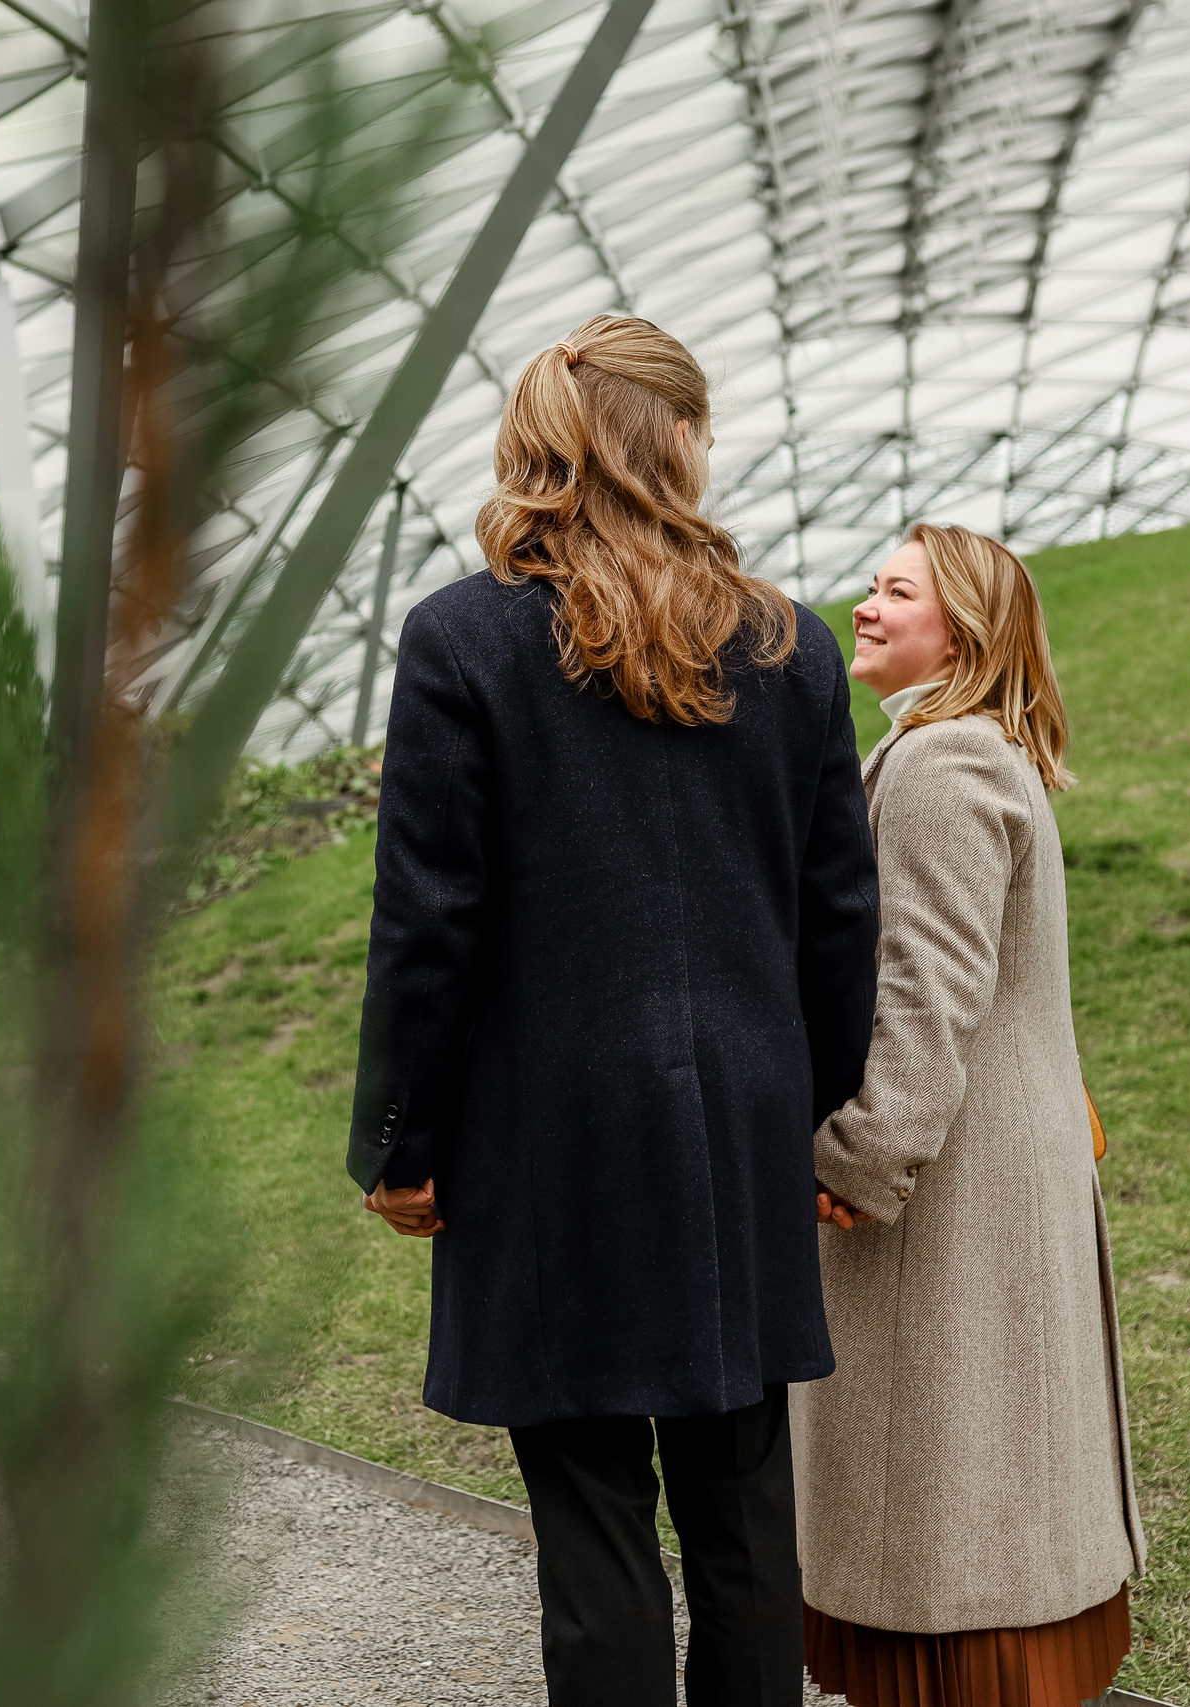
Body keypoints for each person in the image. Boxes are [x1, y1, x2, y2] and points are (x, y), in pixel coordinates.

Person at [346, 314, 881, 1707]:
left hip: (549, 1140)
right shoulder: (795, 650)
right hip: (742, 1133)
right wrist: (815, 1112)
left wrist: (400, 1141)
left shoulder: (462, 640)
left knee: (591, 1523)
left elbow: (429, 921)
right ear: (682, 444)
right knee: (747, 1509)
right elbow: (839, 919)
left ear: (540, 452)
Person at [794, 523, 1145, 1707]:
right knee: (987, 1483)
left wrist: (859, 1154)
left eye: (899, 591)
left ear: (967, 629)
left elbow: (924, 989)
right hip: (988, 1167)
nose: (867, 605)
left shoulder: (942, 766)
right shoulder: (971, 755)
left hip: (945, 1189)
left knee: (942, 1498)